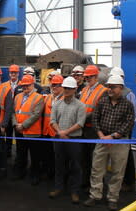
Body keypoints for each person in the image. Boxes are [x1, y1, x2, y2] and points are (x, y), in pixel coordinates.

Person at [84, 75, 134, 211]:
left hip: (119, 142)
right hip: (102, 140)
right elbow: (95, 119)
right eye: (109, 87)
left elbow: (128, 124)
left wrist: (112, 136)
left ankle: (113, 198)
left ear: (121, 88)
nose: (110, 89)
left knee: (118, 172)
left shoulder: (127, 105)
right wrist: (101, 135)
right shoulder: (102, 101)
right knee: (97, 170)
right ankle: (95, 195)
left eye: (113, 87)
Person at [49, 76, 86, 204]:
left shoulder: (81, 106)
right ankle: (59, 188)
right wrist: (60, 132)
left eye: (69, 88)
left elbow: (80, 123)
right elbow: (52, 120)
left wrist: (66, 132)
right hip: (59, 138)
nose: (66, 90)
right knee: (59, 164)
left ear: (75, 89)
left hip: (74, 140)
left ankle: (75, 192)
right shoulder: (57, 104)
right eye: (65, 88)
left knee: (75, 166)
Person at [109, 67, 136, 192]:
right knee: (115, 156)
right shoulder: (109, 92)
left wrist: (123, 129)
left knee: (126, 155)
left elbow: (133, 115)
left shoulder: (129, 94)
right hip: (111, 129)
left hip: (124, 130)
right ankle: (118, 182)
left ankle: (128, 181)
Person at [12, 74, 44, 185]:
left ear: (33, 85)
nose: (25, 87)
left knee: (35, 156)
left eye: (27, 85)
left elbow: (36, 115)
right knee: (21, 153)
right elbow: (13, 112)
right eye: (23, 86)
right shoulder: (17, 97)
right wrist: (15, 124)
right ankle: (20, 172)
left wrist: (23, 125)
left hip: (32, 132)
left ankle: (35, 175)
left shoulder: (39, 97)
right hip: (19, 131)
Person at [79, 65, 108, 188]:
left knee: (96, 161)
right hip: (83, 128)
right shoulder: (85, 90)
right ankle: (85, 182)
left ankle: (97, 185)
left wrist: (79, 119)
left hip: (94, 130)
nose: (87, 79)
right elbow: (80, 106)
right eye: (86, 77)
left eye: (89, 77)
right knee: (84, 159)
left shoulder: (103, 91)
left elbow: (97, 111)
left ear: (96, 76)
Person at [41, 75, 64, 179]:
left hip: (58, 133)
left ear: (62, 86)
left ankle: (58, 176)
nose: (54, 87)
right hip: (47, 132)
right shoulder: (47, 98)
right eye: (53, 85)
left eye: (57, 85)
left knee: (59, 157)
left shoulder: (65, 99)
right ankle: (48, 173)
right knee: (47, 155)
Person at [5, 64, 20, 157]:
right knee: (8, 135)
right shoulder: (5, 85)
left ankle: (19, 156)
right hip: (7, 114)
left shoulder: (23, 84)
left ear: (18, 73)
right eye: (11, 72)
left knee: (18, 136)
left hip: (18, 115)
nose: (13, 74)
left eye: (15, 72)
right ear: (9, 73)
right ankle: (8, 153)